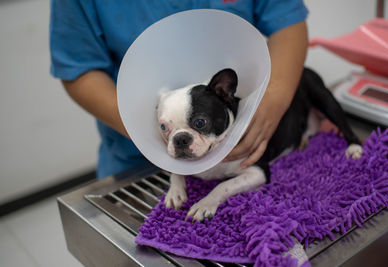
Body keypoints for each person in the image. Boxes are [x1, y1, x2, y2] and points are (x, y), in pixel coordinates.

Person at [50, 0, 309, 178]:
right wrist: (150, 133)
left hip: (244, 143)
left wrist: (274, 99)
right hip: (138, 162)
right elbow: (78, 67)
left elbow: (287, 23)